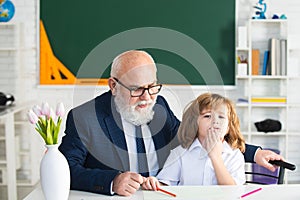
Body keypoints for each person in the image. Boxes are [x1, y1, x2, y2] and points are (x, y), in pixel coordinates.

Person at [59, 50, 283, 196]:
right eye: (136, 89)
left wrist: (253, 154)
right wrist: (112, 181)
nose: (147, 97)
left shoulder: (160, 106)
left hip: (165, 193)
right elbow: (65, 170)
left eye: (152, 87)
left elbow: (192, 136)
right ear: (113, 85)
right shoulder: (84, 117)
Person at [142, 93, 246, 190]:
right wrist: (154, 183)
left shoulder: (234, 156)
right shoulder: (180, 153)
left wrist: (216, 157)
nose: (215, 121)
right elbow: (166, 184)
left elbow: (233, 192)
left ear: (228, 127)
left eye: (221, 117)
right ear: (194, 123)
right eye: (207, 116)